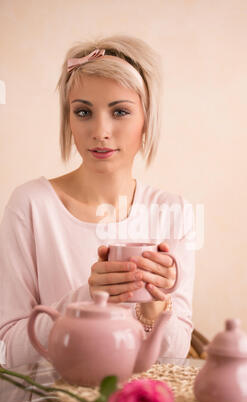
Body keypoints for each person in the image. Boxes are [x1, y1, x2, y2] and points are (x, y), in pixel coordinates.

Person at [0, 35, 196, 368]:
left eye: (120, 111)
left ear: (146, 119)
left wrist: (153, 308)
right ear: (69, 120)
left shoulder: (173, 212)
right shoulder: (31, 205)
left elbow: (175, 357)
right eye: (83, 112)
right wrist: (86, 298)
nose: (100, 131)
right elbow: (10, 352)